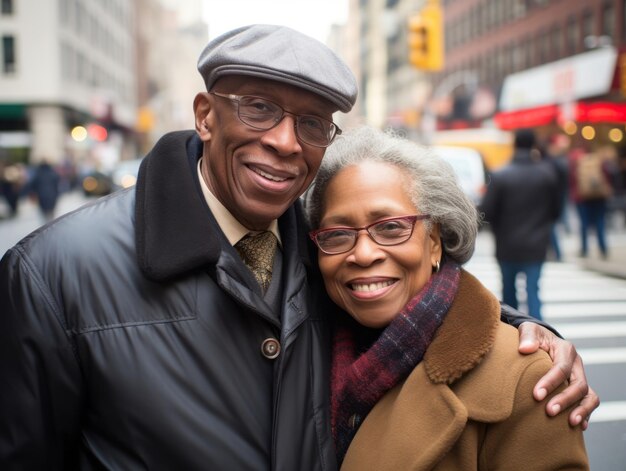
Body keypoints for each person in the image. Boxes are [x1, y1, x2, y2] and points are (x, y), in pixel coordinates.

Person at [0, 25, 597, 470]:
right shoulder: (53, 271)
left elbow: (415, 309)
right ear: (206, 116)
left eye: (313, 123)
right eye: (259, 108)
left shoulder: (325, 248)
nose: (286, 142)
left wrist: (524, 334)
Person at [305, 126, 589, 470]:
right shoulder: (297, 346)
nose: (363, 254)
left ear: (435, 241)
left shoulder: (529, 380)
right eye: (337, 234)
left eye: (392, 227)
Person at [480, 129, 561, 320]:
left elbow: (487, 211)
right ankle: (540, 333)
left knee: (509, 292)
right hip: (537, 243)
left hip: (507, 244)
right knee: (533, 290)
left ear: (514, 144)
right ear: (533, 145)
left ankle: (513, 334)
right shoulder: (547, 174)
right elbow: (556, 211)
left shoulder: (500, 175)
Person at [569, 144, 617, 259]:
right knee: (600, 222)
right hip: (599, 197)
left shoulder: (577, 163)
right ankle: (603, 248)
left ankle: (584, 249)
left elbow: (572, 181)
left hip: (582, 198)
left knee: (584, 224)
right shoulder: (600, 162)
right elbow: (609, 176)